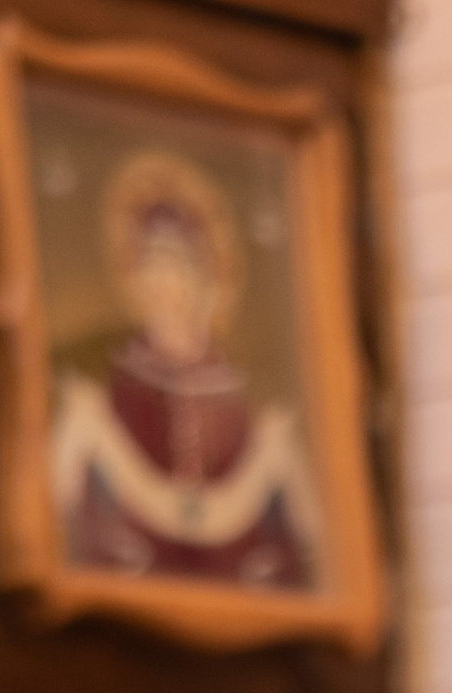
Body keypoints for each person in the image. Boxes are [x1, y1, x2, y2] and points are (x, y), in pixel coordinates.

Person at [50, 146, 319, 591]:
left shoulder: (238, 400)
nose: (163, 285)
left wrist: (274, 459)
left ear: (206, 280)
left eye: (176, 268)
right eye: (150, 267)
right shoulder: (112, 389)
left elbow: (301, 531)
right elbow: (63, 500)